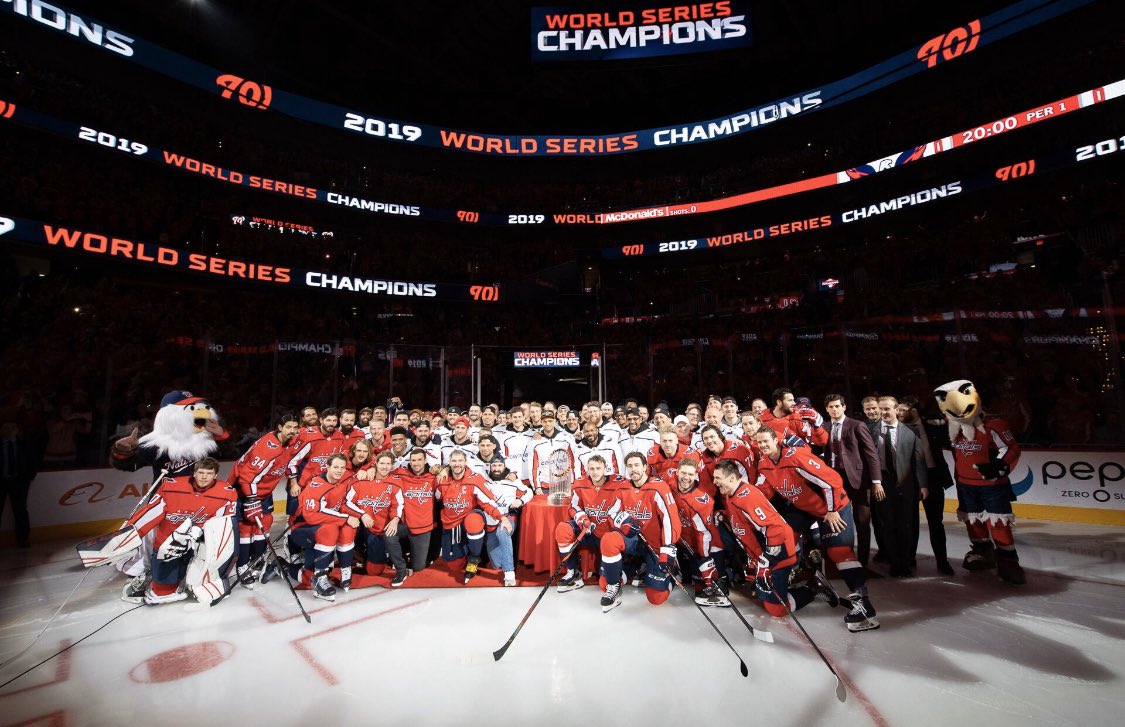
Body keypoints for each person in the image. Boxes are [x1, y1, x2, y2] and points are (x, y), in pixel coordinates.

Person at [753, 426, 879, 632]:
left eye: (766, 441)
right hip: (805, 508)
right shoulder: (764, 464)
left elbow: (832, 481)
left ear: (776, 441)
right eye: (759, 442)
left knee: (839, 552)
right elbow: (762, 492)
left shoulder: (796, 457)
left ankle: (864, 604)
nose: (763, 445)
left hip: (834, 507)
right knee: (782, 534)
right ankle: (795, 578)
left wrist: (831, 510)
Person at [713, 459, 834, 618]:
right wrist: (723, 515)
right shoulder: (731, 494)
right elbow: (744, 521)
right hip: (765, 553)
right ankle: (782, 588)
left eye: (718, 478)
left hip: (779, 552)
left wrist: (767, 560)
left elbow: (775, 527)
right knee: (762, 593)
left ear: (731, 478)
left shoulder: (748, 497)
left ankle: (814, 587)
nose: (714, 482)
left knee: (777, 610)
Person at [934, 379, 1025, 584]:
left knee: (998, 520)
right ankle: (982, 552)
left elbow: (1011, 448)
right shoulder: (952, 426)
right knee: (972, 519)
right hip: (965, 483)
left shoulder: (994, 424)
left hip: (992, 484)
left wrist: (999, 466)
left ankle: (1008, 559)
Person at [125, 457, 237, 605]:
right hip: (169, 539)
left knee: (206, 562)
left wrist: (199, 530)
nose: (204, 477)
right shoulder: (172, 486)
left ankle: (199, 583)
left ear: (215, 475)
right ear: (194, 473)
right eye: (201, 472)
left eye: (209, 473)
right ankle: (160, 585)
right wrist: (128, 534)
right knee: (163, 583)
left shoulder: (227, 492)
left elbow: (223, 525)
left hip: (199, 540)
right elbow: (150, 513)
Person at [598, 452, 680, 613]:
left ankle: (675, 574)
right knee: (608, 543)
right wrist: (622, 521)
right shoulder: (623, 487)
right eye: (629, 466)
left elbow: (670, 520)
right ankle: (616, 584)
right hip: (633, 541)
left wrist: (667, 550)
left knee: (656, 599)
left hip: (654, 545)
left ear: (645, 467)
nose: (633, 469)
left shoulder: (659, 487)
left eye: (637, 465)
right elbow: (611, 512)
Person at [228, 412, 301, 586]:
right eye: (288, 427)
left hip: (263, 493)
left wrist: (293, 482)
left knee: (264, 526)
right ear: (280, 428)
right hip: (243, 491)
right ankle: (243, 566)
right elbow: (247, 477)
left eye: (295, 427)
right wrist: (251, 500)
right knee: (247, 530)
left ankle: (257, 560)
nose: (292, 431)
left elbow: (289, 462)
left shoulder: (289, 442)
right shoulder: (269, 448)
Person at [823, 394, 881, 566]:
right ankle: (844, 558)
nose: (834, 409)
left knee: (862, 520)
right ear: (826, 409)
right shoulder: (825, 427)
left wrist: (876, 481)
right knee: (838, 521)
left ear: (844, 407)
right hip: (834, 479)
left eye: (837, 406)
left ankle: (863, 560)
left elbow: (871, 454)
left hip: (857, 479)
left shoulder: (857, 425)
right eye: (831, 407)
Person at [872, 396, 927, 578]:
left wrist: (923, 485)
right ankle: (894, 562)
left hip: (906, 484)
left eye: (887, 409)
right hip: (882, 484)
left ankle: (905, 561)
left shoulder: (910, 432)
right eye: (881, 409)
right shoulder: (871, 431)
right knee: (888, 525)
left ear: (897, 410)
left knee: (905, 525)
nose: (883, 412)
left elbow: (918, 460)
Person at [898, 395, 953, 575]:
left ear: (913, 409)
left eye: (902, 410)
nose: (898, 413)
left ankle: (942, 561)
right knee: (910, 522)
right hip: (910, 479)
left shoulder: (933, 425)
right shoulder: (899, 429)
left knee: (936, 522)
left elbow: (950, 441)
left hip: (934, 478)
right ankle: (909, 558)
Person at [554, 454, 625, 592]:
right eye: (591, 468)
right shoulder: (580, 483)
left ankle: (624, 570)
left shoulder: (618, 483)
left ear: (605, 468)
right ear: (587, 469)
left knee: (605, 585)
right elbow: (573, 506)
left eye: (598, 468)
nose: (595, 472)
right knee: (563, 530)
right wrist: (583, 521)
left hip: (607, 534)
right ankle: (574, 572)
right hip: (588, 529)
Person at [288, 453, 351, 601]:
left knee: (345, 528)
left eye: (342, 467)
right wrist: (345, 518)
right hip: (302, 529)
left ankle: (343, 570)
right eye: (335, 467)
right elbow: (311, 516)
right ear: (327, 467)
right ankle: (318, 579)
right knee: (331, 529)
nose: (339, 470)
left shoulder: (342, 481)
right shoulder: (316, 485)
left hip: (320, 531)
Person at [435, 450, 505, 583]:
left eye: (460, 461)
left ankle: (474, 557)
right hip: (451, 524)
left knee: (473, 521)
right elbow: (436, 499)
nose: (457, 464)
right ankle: (465, 551)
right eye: (454, 461)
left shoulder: (475, 478)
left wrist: (502, 517)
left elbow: (487, 503)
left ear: (465, 462)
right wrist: (441, 471)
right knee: (454, 566)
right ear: (449, 463)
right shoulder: (442, 480)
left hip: (470, 517)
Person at [342, 451, 408, 587]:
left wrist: (395, 520)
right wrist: (362, 515)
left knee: (374, 571)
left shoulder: (395, 483)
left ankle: (400, 569)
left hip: (380, 528)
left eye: (388, 464)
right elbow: (347, 502)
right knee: (347, 527)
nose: (384, 467)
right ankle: (352, 561)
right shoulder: (362, 480)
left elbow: (399, 504)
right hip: (364, 524)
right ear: (376, 464)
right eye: (382, 463)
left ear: (392, 466)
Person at [670, 458, 729, 607]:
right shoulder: (669, 487)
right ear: (677, 472)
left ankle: (721, 581)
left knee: (712, 581)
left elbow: (705, 534)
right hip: (688, 543)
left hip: (709, 546)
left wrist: (704, 558)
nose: (686, 477)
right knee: (696, 584)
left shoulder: (702, 500)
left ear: (696, 475)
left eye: (690, 474)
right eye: (683, 472)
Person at [480, 454, 534, 586]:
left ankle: (510, 573)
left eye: (500, 465)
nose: (497, 468)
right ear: (490, 467)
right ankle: (505, 563)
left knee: (503, 532)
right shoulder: (484, 481)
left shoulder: (512, 481)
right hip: (491, 521)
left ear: (504, 466)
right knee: (497, 564)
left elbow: (529, 492)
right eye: (494, 466)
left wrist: (520, 500)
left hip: (508, 517)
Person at [286, 407, 346, 514]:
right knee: (295, 516)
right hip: (303, 484)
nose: (331, 424)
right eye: (328, 420)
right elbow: (292, 461)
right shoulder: (308, 436)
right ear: (321, 420)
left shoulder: (340, 437)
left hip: (324, 484)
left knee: (318, 515)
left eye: (334, 421)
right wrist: (294, 484)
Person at [392, 447, 439, 574]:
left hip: (423, 526)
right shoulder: (401, 473)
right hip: (405, 523)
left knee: (418, 568)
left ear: (425, 461)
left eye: (419, 460)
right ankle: (399, 563)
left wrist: (443, 469)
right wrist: (371, 468)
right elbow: (383, 470)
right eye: (413, 460)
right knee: (388, 535)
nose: (416, 463)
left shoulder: (433, 477)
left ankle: (413, 555)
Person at [520, 409, 578, 494]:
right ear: (541, 422)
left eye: (550, 421)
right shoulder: (535, 443)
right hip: (545, 487)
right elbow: (533, 467)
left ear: (554, 421)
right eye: (545, 421)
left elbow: (573, 462)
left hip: (565, 485)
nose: (548, 424)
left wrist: (573, 482)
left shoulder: (566, 439)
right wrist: (536, 487)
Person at [1, 417, 37, 548]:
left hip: (19, 482)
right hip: (2, 481)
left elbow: (31, 462)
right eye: (6, 427)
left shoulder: (24, 444)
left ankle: (22, 539)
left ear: (17, 430)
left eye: (13, 427)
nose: (10, 430)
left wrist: (28, 478)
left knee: (20, 510)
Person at [696, 424, 756, 499]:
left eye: (712, 437)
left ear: (720, 437)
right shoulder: (704, 458)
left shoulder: (738, 449)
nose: (709, 441)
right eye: (706, 438)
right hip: (725, 500)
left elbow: (751, 474)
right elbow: (707, 486)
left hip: (746, 494)